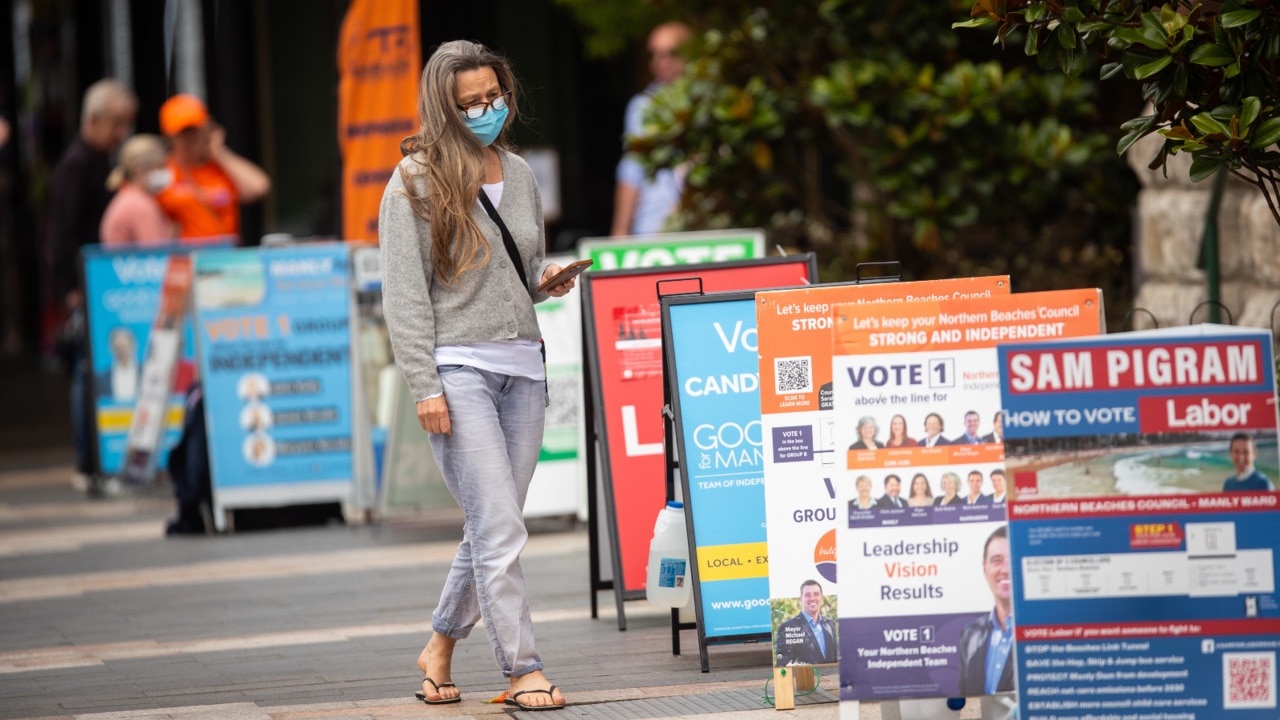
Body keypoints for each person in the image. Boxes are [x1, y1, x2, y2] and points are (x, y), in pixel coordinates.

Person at [379, 40, 573, 711]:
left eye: (495, 97)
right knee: (498, 529)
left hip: (525, 364)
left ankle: (438, 646)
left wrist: (548, 282)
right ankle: (522, 668)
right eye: (472, 103)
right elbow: (404, 296)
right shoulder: (414, 182)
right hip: (459, 370)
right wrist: (424, 386)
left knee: (494, 525)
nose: (488, 110)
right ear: (444, 106)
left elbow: (524, 265)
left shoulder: (517, 173)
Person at [48, 79, 137, 492]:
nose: (121, 134)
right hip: (87, 284)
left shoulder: (101, 161)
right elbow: (62, 232)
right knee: (89, 371)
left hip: (100, 284)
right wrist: (72, 287)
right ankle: (90, 462)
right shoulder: (78, 164)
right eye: (116, 124)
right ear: (94, 119)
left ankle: (103, 459)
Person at [611, 21, 691, 236]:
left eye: (670, 53)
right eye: (654, 54)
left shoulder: (707, 101)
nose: (660, 62)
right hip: (651, 229)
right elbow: (631, 170)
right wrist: (619, 233)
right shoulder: (642, 106)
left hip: (701, 231)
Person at [155, 94, 270, 242]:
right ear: (169, 136)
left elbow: (258, 188)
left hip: (224, 258)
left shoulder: (220, 167)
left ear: (208, 129)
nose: (191, 137)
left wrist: (220, 153)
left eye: (195, 130)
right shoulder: (161, 170)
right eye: (183, 132)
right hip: (182, 260)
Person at [958, 526, 1014, 696]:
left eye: (1012, 559)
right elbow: (967, 702)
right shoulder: (970, 634)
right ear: (985, 569)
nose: (1005, 569)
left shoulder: (1045, 632)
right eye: (997, 560)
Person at [100, 134, 178, 246]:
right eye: (161, 166)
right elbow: (156, 253)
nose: (166, 171)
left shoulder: (128, 198)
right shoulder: (140, 205)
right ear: (140, 171)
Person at [774, 579, 837, 666]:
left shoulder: (830, 625)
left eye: (816, 594)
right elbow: (783, 663)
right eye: (807, 595)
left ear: (821, 598)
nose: (812, 598)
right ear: (801, 599)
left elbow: (834, 660)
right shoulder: (788, 626)